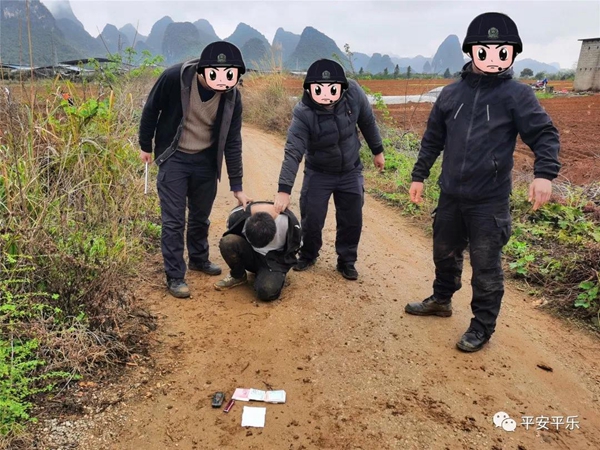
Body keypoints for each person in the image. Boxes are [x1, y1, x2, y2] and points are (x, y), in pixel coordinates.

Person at [405, 12, 561, 352]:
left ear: (512, 53)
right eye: (484, 50)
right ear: (471, 51)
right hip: (450, 194)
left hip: (489, 201)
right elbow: (432, 140)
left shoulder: (517, 95)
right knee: (444, 254)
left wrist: (544, 174)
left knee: (486, 267)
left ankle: (481, 326)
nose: (492, 57)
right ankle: (441, 300)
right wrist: (419, 176)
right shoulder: (450, 94)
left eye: (501, 51)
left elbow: (545, 134)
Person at [139, 41, 251, 299]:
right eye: (216, 73)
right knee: (174, 220)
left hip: (205, 160)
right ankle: (175, 276)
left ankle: (199, 259)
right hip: (174, 157)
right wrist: (145, 145)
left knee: (201, 217)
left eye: (230, 74)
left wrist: (237, 186)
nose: (223, 80)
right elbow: (151, 109)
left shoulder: (232, 97)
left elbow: (233, 141)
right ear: (202, 69)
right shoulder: (174, 78)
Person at [274, 59, 385, 281]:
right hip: (319, 171)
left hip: (350, 169)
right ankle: (308, 254)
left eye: (332, 89)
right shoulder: (303, 112)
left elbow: (367, 121)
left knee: (352, 218)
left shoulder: (353, 93)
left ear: (341, 87)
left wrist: (378, 150)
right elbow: (293, 151)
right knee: (312, 217)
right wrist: (284, 190)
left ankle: (347, 261)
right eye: (319, 89)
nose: (326, 95)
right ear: (309, 89)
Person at [215, 201, 301, 301]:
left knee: (266, 291)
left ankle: (270, 275)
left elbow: (294, 249)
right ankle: (238, 275)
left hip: (273, 261)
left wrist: (279, 267)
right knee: (227, 242)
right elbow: (231, 231)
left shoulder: (290, 224)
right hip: (251, 253)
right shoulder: (237, 216)